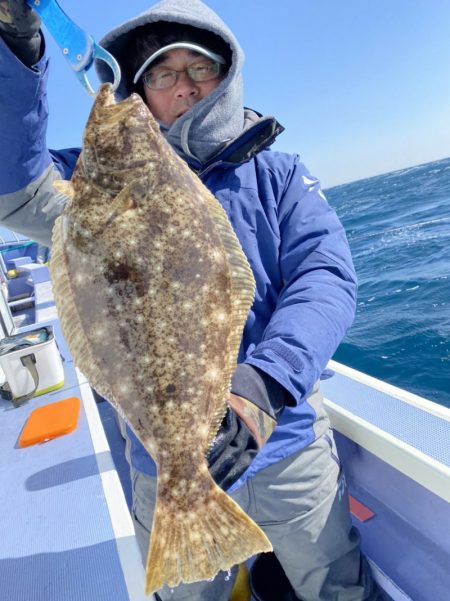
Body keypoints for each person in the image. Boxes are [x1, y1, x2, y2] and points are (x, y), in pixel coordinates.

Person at [0, 1, 385, 599]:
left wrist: (262, 390)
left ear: (225, 76)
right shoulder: (89, 191)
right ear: (140, 88)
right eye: (161, 72)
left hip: (283, 440)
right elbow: (13, 182)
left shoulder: (279, 174)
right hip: (166, 462)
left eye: (198, 67)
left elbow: (325, 278)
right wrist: (19, 50)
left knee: (335, 583)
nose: (182, 86)